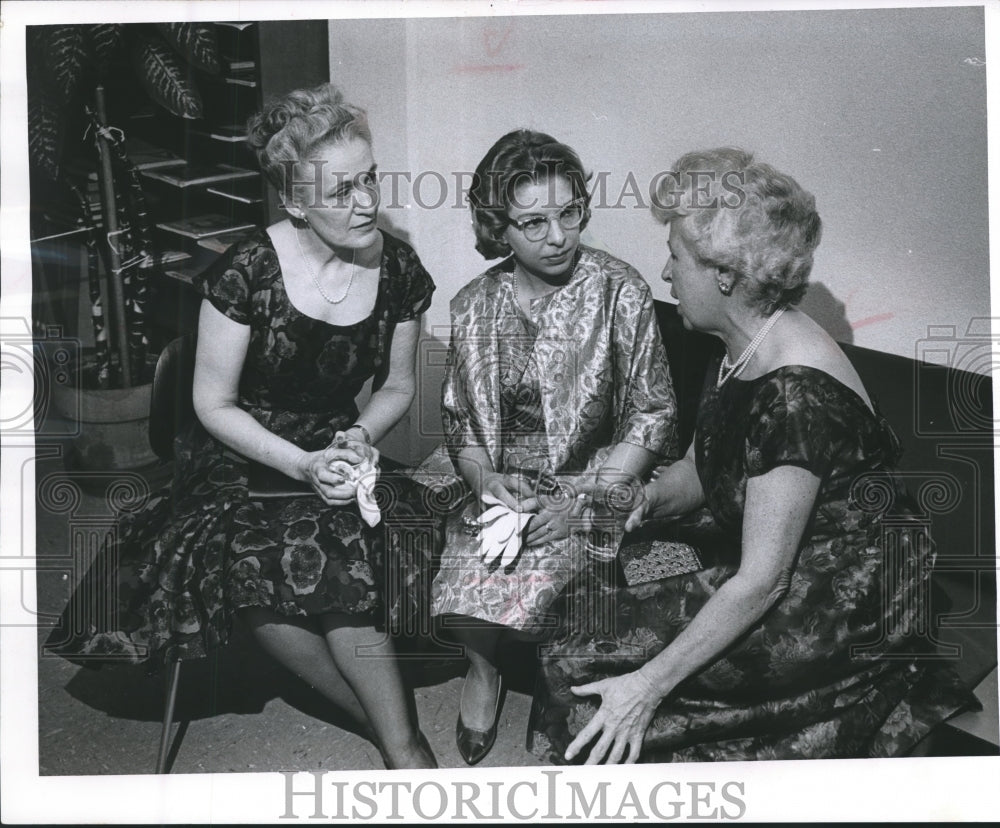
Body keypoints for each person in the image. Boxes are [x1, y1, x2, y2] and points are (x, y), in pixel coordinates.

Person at [528, 147, 977, 764]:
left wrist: (646, 689)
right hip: (758, 557)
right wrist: (646, 496)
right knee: (584, 607)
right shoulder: (737, 341)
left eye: (676, 257)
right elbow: (695, 469)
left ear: (724, 276)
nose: (664, 273)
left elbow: (765, 582)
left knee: (599, 675)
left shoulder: (794, 397)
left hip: (829, 603)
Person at [46, 83, 438, 769]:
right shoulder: (244, 273)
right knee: (255, 571)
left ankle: (402, 746)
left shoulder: (399, 267)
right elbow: (213, 406)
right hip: (238, 452)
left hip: (335, 446)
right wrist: (300, 465)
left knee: (341, 558)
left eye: (370, 179)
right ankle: (400, 742)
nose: (368, 202)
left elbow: (399, 386)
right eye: (343, 190)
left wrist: (359, 437)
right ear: (295, 203)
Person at [430, 129, 678, 764]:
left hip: (593, 479)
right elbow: (460, 424)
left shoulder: (621, 290)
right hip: (504, 482)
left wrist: (583, 502)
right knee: (462, 562)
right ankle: (481, 670)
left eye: (568, 213)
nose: (558, 236)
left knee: (550, 576)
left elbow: (652, 414)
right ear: (498, 228)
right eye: (533, 222)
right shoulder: (473, 306)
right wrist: (484, 480)